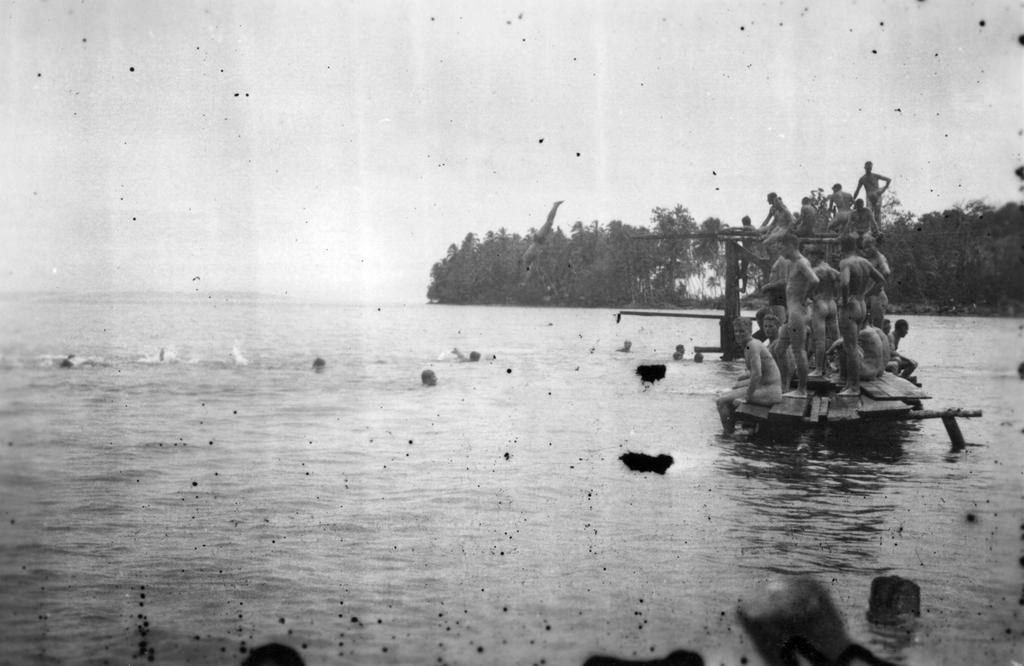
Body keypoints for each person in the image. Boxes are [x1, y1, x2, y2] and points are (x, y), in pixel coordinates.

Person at [837, 235, 888, 395]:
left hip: (851, 305)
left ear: (842, 248)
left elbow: (845, 283)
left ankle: (853, 387)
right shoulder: (865, 262)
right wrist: (866, 293)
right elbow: (881, 279)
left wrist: (844, 301)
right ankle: (850, 384)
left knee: (850, 347)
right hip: (862, 304)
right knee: (853, 345)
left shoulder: (845, 262)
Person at [715, 317, 783, 433]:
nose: (738, 334)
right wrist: (740, 385)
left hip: (770, 392)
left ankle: (728, 435)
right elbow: (755, 373)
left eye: (742, 331)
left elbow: (757, 374)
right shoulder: (749, 345)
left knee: (721, 401)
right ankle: (735, 430)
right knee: (729, 392)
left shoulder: (752, 346)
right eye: (736, 331)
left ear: (750, 331)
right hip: (767, 388)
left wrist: (745, 397)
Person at [772, 233, 819, 396]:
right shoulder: (790, 263)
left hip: (798, 312)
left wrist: (805, 297)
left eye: (781, 246)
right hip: (791, 313)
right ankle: (785, 385)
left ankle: (802, 390)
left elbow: (814, 280)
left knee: (799, 351)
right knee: (779, 350)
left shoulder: (801, 262)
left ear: (791, 245)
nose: (779, 249)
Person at [807, 245, 840, 378]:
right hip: (832, 303)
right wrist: (837, 295)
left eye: (810, 255)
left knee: (819, 340)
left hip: (820, 303)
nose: (809, 258)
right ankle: (841, 365)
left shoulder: (815, 270)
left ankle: (819, 369)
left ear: (815, 256)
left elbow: (810, 285)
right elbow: (842, 280)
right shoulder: (831, 269)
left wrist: (809, 296)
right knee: (836, 338)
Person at [521, 200, 564, 272]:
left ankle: (555, 206)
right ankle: (555, 205)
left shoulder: (529, 256)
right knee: (549, 222)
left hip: (538, 242)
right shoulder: (529, 257)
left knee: (549, 222)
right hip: (538, 242)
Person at [862, 235, 891, 328]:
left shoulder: (880, 258)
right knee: (863, 326)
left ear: (875, 245)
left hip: (877, 296)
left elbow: (886, 272)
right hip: (866, 296)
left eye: (869, 247)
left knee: (877, 328)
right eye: (864, 248)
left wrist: (874, 289)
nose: (866, 250)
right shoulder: (866, 258)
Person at [853, 160, 891, 225]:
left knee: (877, 212)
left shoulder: (875, 176)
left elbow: (888, 180)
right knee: (868, 212)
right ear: (865, 168)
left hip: (877, 194)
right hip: (869, 195)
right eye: (867, 168)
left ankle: (878, 229)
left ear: (871, 168)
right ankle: (869, 229)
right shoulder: (862, 178)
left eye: (870, 168)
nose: (869, 169)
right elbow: (857, 190)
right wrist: (853, 200)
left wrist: (882, 190)